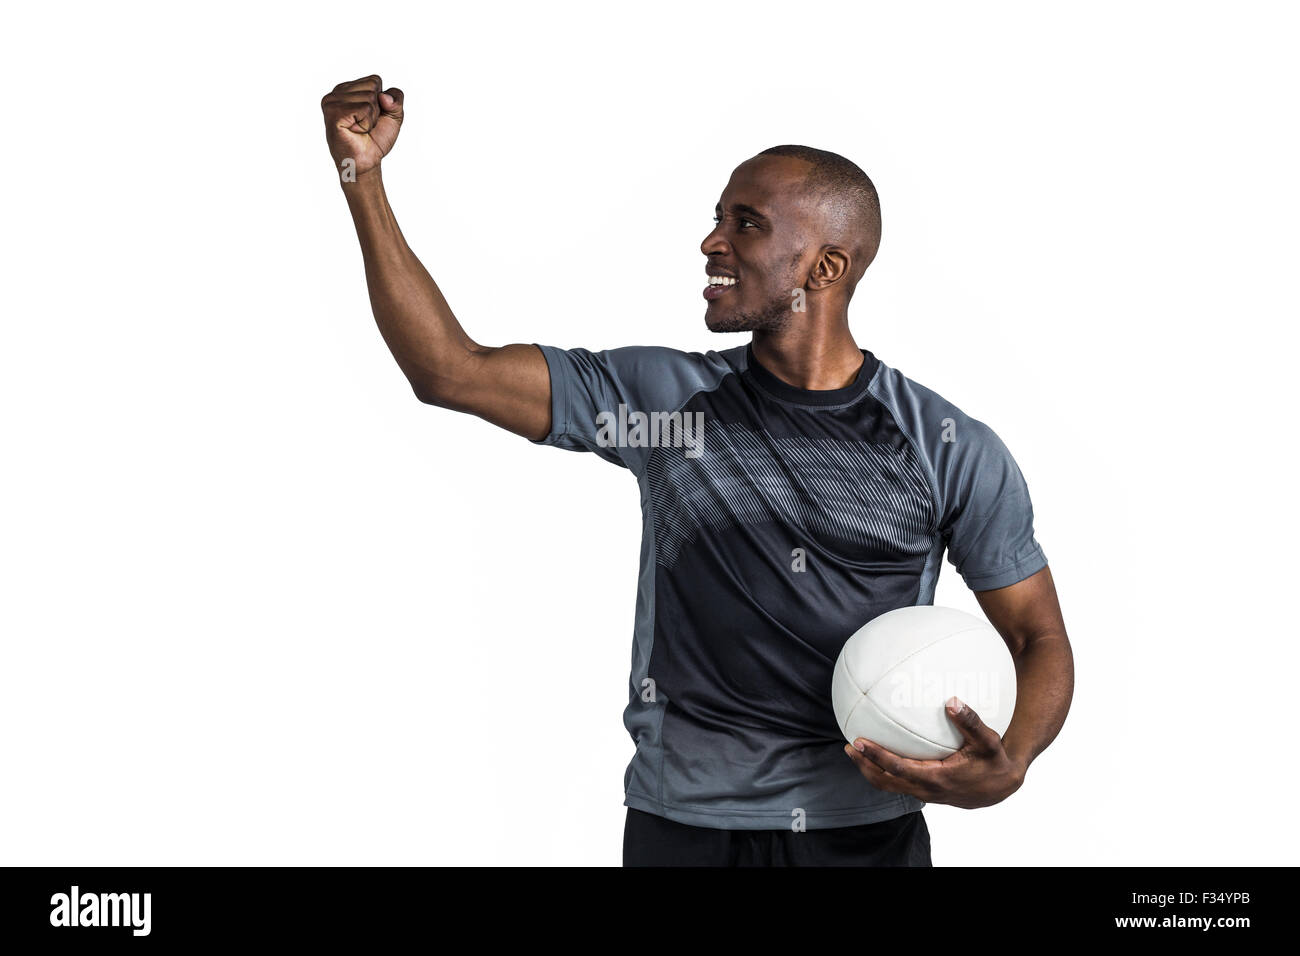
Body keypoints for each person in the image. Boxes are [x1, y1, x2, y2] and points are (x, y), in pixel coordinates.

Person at [320, 74, 1075, 867]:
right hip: (682, 833)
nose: (712, 242)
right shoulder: (664, 404)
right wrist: (361, 179)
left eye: (744, 224)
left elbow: (1038, 635)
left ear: (823, 268)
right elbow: (449, 369)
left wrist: (1012, 759)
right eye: (718, 219)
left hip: (867, 836)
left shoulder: (946, 444)